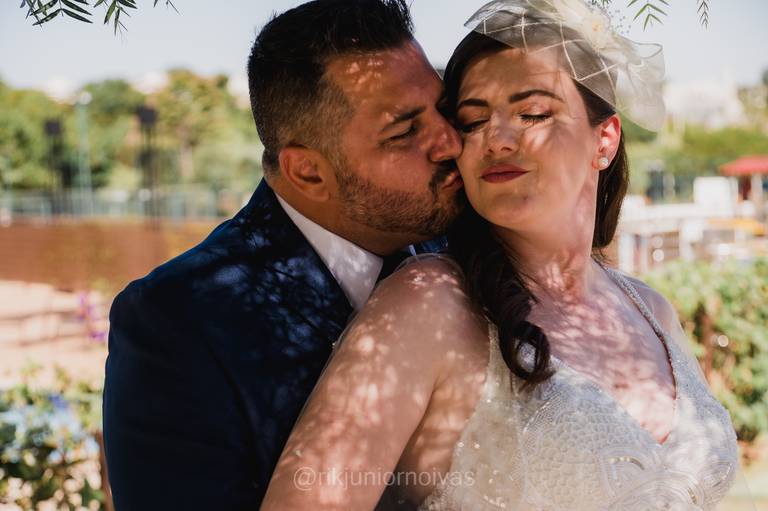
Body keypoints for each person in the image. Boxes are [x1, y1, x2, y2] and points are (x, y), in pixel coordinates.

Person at [260, 1, 746, 509]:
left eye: (532, 113)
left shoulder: (653, 311)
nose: (497, 139)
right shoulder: (427, 305)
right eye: (471, 121)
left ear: (604, 139)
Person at [102, 1, 463, 509]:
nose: (450, 143)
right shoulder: (178, 322)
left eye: (444, 109)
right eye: (404, 132)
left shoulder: (468, 238)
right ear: (308, 172)